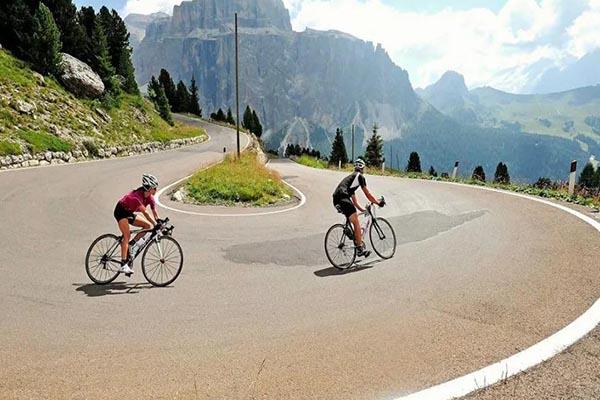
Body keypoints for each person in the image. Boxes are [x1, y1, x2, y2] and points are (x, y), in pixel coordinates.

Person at [332, 158, 384, 257]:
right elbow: (367, 194)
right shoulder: (360, 177)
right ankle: (360, 248)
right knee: (356, 222)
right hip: (343, 197)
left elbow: (355, 202)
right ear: (363, 168)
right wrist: (378, 202)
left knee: (351, 215)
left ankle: (350, 233)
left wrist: (364, 210)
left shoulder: (351, 181)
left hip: (336, 198)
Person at [113, 173, 160, 274]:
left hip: (129, 212)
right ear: (149, 188)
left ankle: (131, 244)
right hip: (120, 211)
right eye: (154, 188)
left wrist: (159, 222)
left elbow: (154, 212)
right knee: (127, 235)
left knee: (147, 226)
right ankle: (123, 265)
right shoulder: (136, 196)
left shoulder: (150, 198)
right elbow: (146, 213)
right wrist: (155, 224)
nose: (156, 190)